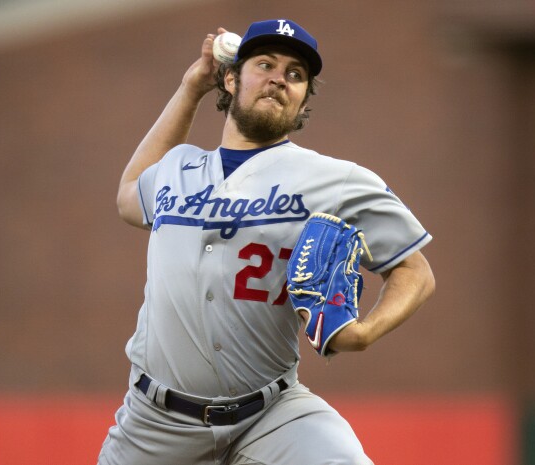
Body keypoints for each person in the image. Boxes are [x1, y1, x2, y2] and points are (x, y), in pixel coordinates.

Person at [98, 18, 435, 465]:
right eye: (265, 64)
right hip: (155, 425)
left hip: (272, 414)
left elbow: (415, 271)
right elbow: (128, 197)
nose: (280, 77)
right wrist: (189, 88)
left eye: (296, 74)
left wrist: (365, 332)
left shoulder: (335, 180)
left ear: (302, 101)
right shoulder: (178, 167)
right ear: (232, 78)